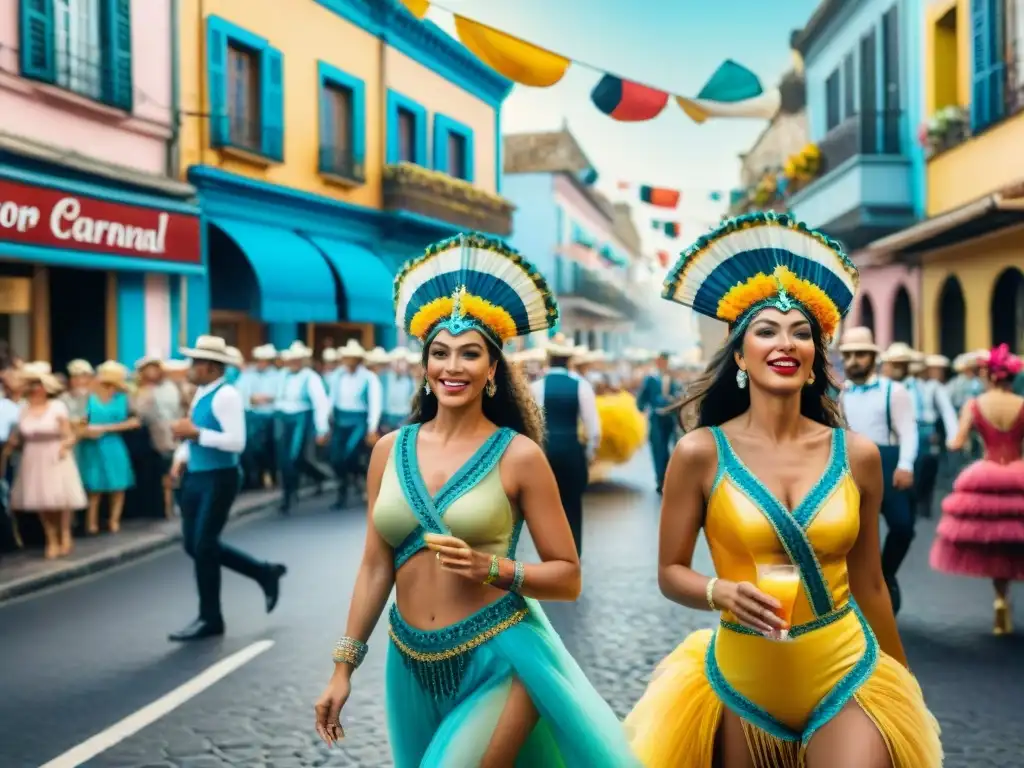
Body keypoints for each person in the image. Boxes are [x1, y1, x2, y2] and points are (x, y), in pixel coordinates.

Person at [625, 213, 941, 767]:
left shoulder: (858, 456)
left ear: (816, 356)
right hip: (744, 681)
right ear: (740, 355)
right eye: (766, 330)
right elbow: (671, 572)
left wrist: (904, 686)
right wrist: (719, 591)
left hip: (844, 671)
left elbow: (869, 583)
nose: (786, 343)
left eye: (801, 332)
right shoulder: (700, 454)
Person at [313, 233, 639, 767]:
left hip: (501, 658)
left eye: (470, 353)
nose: (453, 366)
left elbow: (567, 576)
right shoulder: (389, 451)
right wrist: (343, 667)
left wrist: (493, 569)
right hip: (409, 663)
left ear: (492, 370)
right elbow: (375, 565)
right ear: (424, 365)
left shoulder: (519, 456)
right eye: (439, 353)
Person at [168, 335, 287, 641]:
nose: (190, 367)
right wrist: (180, 458)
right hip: (197, 475)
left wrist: (196, 433)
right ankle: (263, 572)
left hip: (220, 477)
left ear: (210, 366)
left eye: (195, 362)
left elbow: (236, 442)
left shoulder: (227, 395)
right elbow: (194, 432)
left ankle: (210, 618)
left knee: (204, 545)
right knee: (194, 545)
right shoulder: (201, 392)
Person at [931, 343, 1024, 635]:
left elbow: (957, 442)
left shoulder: (974, 405)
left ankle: (1000, 598)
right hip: (1018, 470)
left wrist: (954, 442)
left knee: (994, 540)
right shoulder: (1022, 404)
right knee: (1015, 537)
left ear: (991, 375)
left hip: (988, 471)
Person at [837, 328, 918, 615]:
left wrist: (905, 465)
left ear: (873, 357)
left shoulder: (893, 391)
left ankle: (886, 573)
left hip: (888, 464)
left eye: (860, 354)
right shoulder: (841, 393)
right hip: (853, 466)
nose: (853, 361)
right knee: (853, 534)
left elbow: (908, 431)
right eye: (848, 355)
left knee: (903, 527)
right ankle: (864, 591)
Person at [2, 363, 85, 558]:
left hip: (55, 453)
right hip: (33, 456)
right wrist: (11, 445)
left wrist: (65, 447)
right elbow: (19, 437)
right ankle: (51, 537)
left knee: (59, 499)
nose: (35, 389)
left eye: (38, 384)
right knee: (40, 500)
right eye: (31, 385)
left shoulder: (57, 407)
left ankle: (65, 532)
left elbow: (69, 435)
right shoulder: (23, 409)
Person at [530, 333, 600, 556]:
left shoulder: (537, 387)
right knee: (573, 506)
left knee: (547, 506)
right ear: (569, 360)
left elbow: (532, 426)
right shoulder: (582, 386)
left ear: (548, 359)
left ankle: (551, 554)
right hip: (572, 452)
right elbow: (594, 429)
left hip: (545, 453)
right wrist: (589, 454)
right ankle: (573, 554)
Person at [78, 361, 139, 534]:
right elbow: (80, 421)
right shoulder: (89, 397)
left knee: (118, 483)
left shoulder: (123, 398)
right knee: (94, 485)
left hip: (114, 443)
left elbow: (135, 421)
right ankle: (91, 522)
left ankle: (114, 520)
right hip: (93, 445)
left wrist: (106, 428)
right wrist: (86, 430)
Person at [274, 342, 331, 513]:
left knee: (294, 456)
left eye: (297, 359)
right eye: (291, 359)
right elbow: (278, 397)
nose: (293, 362)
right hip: (283, 417)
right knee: (284, 458)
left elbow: (321, 403)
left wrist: (322, 428)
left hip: (301, 417)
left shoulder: (310, 377)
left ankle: (292, 493)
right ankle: (291, 491)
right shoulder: (282, 375)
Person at [327, 340, 382, 510]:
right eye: (346, 358)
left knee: (350, 454)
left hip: (358, 420)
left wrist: (372, 428)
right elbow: (330, 399)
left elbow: (375, 404)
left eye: (352, 358)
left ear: (358, 359)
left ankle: (360, 479)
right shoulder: (337, 376)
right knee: (335, 458)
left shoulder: (369, 378)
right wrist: (325, 422)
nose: (348, 361)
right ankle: (345, 487)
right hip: (340, 419)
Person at [636, 351, 683, 492]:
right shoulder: (651, 378)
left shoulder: (673, 378)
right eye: (661, 361)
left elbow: (679, 393)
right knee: (658, 447)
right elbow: (643, 396)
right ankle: (660, 479)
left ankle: (668, 477)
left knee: (671, 448)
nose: (663, 363)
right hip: (656, 416)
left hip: (670, 416)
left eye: (665, 361)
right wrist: (641, 407)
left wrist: (674, 399)